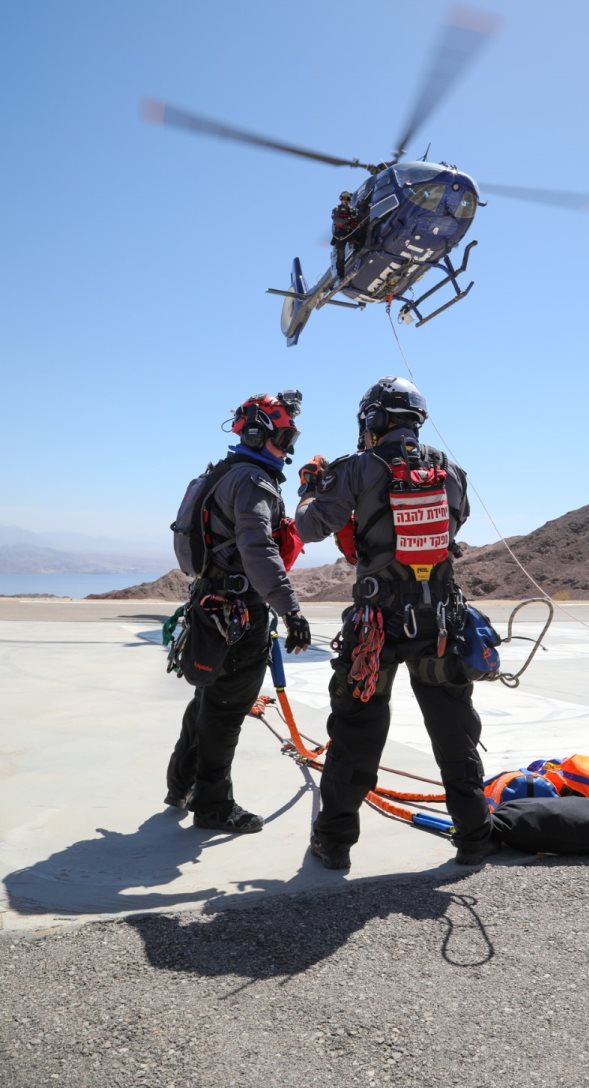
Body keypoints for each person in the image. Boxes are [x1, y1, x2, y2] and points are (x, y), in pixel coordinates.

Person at [294, 376, 498, 869]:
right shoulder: (450, 468)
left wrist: (310, 490)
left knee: (357, 731)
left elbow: (310, 527)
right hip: (439, 625)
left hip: (377, 627)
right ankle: (474, 837)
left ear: (373, 418)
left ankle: (335, 843)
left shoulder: (359, 467)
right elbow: (458, 519)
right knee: (453, 731)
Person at [165, 391, 311, 834]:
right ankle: (214, 806)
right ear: (255, 435)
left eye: (290, 439)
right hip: (238, 615)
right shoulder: (253, 482)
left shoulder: (223, 473)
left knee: (207, 699)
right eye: (282, 438)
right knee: (226, 709)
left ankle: (181, 784)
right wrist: (291, 611)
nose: (286, 449)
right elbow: (259, 550)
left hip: (211, 607)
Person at [330, 190, 359, 277]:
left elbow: (357, 219)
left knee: (359, 242)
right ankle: (341, 275)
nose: (346, 201)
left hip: (350, 233)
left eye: (348, 199)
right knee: (341, 255)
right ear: (341, 199)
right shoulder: (336, 210)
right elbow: (337, 220)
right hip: (340, 235)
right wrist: (348, 219)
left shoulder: (353, 210)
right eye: (344, 199)